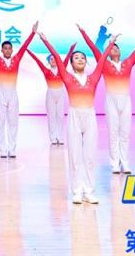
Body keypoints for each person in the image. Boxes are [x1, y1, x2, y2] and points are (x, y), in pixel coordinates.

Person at [39, 31, 117, 204]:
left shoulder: (93, 77)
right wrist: (45, 40)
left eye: (82, 58)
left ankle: (89, 191)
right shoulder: (67, 77)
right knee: (75, 155)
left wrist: (111, 43)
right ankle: (76, 191)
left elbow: (102, 59)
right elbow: (57, 58)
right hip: (74, 116)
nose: (80, 59)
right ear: (71, 63)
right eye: (76, 58)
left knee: (89, 156)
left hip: (90, 117)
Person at [79, 28, 135, 174]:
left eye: (116, 47)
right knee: (113, 133)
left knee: (125, 133)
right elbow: (93, 48)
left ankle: (125, 163)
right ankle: (114, 164)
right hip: (111, 100)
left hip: (126, 100)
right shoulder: (104, 64)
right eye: (112, 48)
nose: (115, 49)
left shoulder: (128, 63)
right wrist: (84, 33)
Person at [0, 20, 38, 158]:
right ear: (2, 50)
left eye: (9, 48)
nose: (7, 50)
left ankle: (12, 148)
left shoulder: (16, 59)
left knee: (13, 122)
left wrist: (33, 33)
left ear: (12, 50)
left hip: (13, 95)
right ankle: (2, 149)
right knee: (0, 122)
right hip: (0, 95)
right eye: (4, 48)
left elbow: (24, 46)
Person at [27, 51, 67, 146]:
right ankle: (53, 137)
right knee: (51, 116)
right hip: (50, 94)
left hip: (60, 94)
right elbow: (37, 60)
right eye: (51, 59)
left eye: (55, 59)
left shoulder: (62, 69)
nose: (53, 60)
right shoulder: (46, 70)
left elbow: (68, 57)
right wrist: (29, 52)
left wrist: (71, 50)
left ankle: (60, 137)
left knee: (60, 116)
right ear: (48, 61)